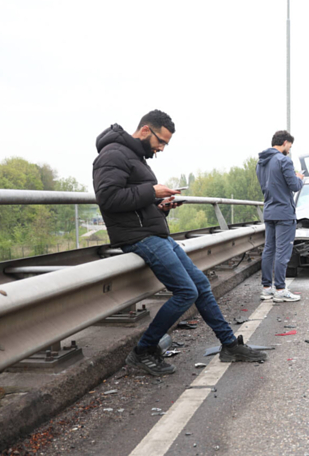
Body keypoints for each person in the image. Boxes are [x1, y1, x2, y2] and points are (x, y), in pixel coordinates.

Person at [92, 110, 266, 376]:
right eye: (161, 141)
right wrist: (151, 191)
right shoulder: (112, 154)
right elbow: (108, 198)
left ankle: (230, 345)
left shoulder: (134, 156)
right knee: (186, 291)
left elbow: (134, 203)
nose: (161, 148)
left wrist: (160, 206)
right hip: (139, 237)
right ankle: (142, 351)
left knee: (201, 285)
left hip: (154, 234)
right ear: (146, 130)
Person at [256, 130, 304, 302]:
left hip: (269, 211)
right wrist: (299, 178)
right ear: (284, 142)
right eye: (289, 146)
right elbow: (294, 186)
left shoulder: (261, 163)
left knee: (269, 250)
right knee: (283, 252)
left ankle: (266, 288)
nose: (289, 149)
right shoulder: (284, 161)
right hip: (284, 213)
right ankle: (281, 290)